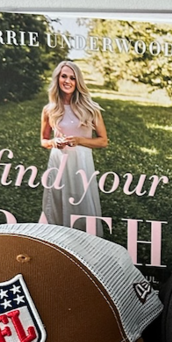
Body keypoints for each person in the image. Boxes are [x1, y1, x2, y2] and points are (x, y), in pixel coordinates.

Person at [40, 61, 109, 234]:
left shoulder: (90, 108)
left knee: (81, 199)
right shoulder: (49, 109)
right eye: (64, 76)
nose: (67, 81)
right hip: (58, 160)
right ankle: (57, 238)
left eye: (72, 78)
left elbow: (103, 141)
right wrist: (53, 142)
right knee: (57, 200)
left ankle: (85, 238)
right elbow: (44, 140)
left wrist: (79, 140)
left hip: (81, 161)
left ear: (78, 81)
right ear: (57, 78)